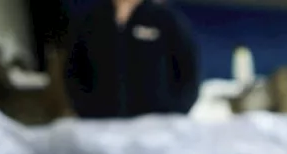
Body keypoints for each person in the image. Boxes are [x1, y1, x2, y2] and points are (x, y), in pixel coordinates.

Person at [64, 0, 200, 118]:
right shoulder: (92, 21)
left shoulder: (165, 20)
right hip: (101, 125)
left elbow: (189, 71)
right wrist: (85, 109)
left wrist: (174, 112)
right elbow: (73, 71)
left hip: (155, 127)